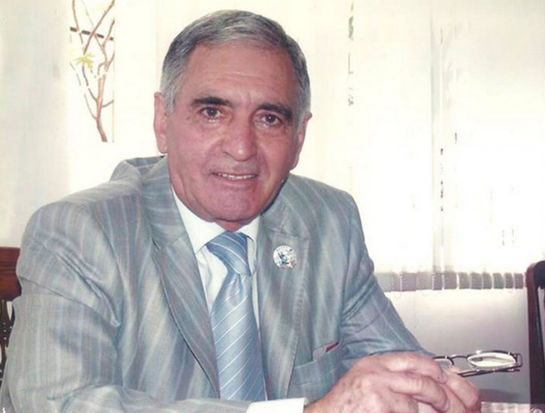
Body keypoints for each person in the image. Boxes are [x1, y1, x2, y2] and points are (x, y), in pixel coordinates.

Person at [0, 10, 480, 413]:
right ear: (162, 122)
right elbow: (59, 403)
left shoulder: (329, 222)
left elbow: (399, 370)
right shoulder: (80, 233)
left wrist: (430, 394)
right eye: (213, 112)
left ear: (298, 139)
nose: (242, 147)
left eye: (269, 119)